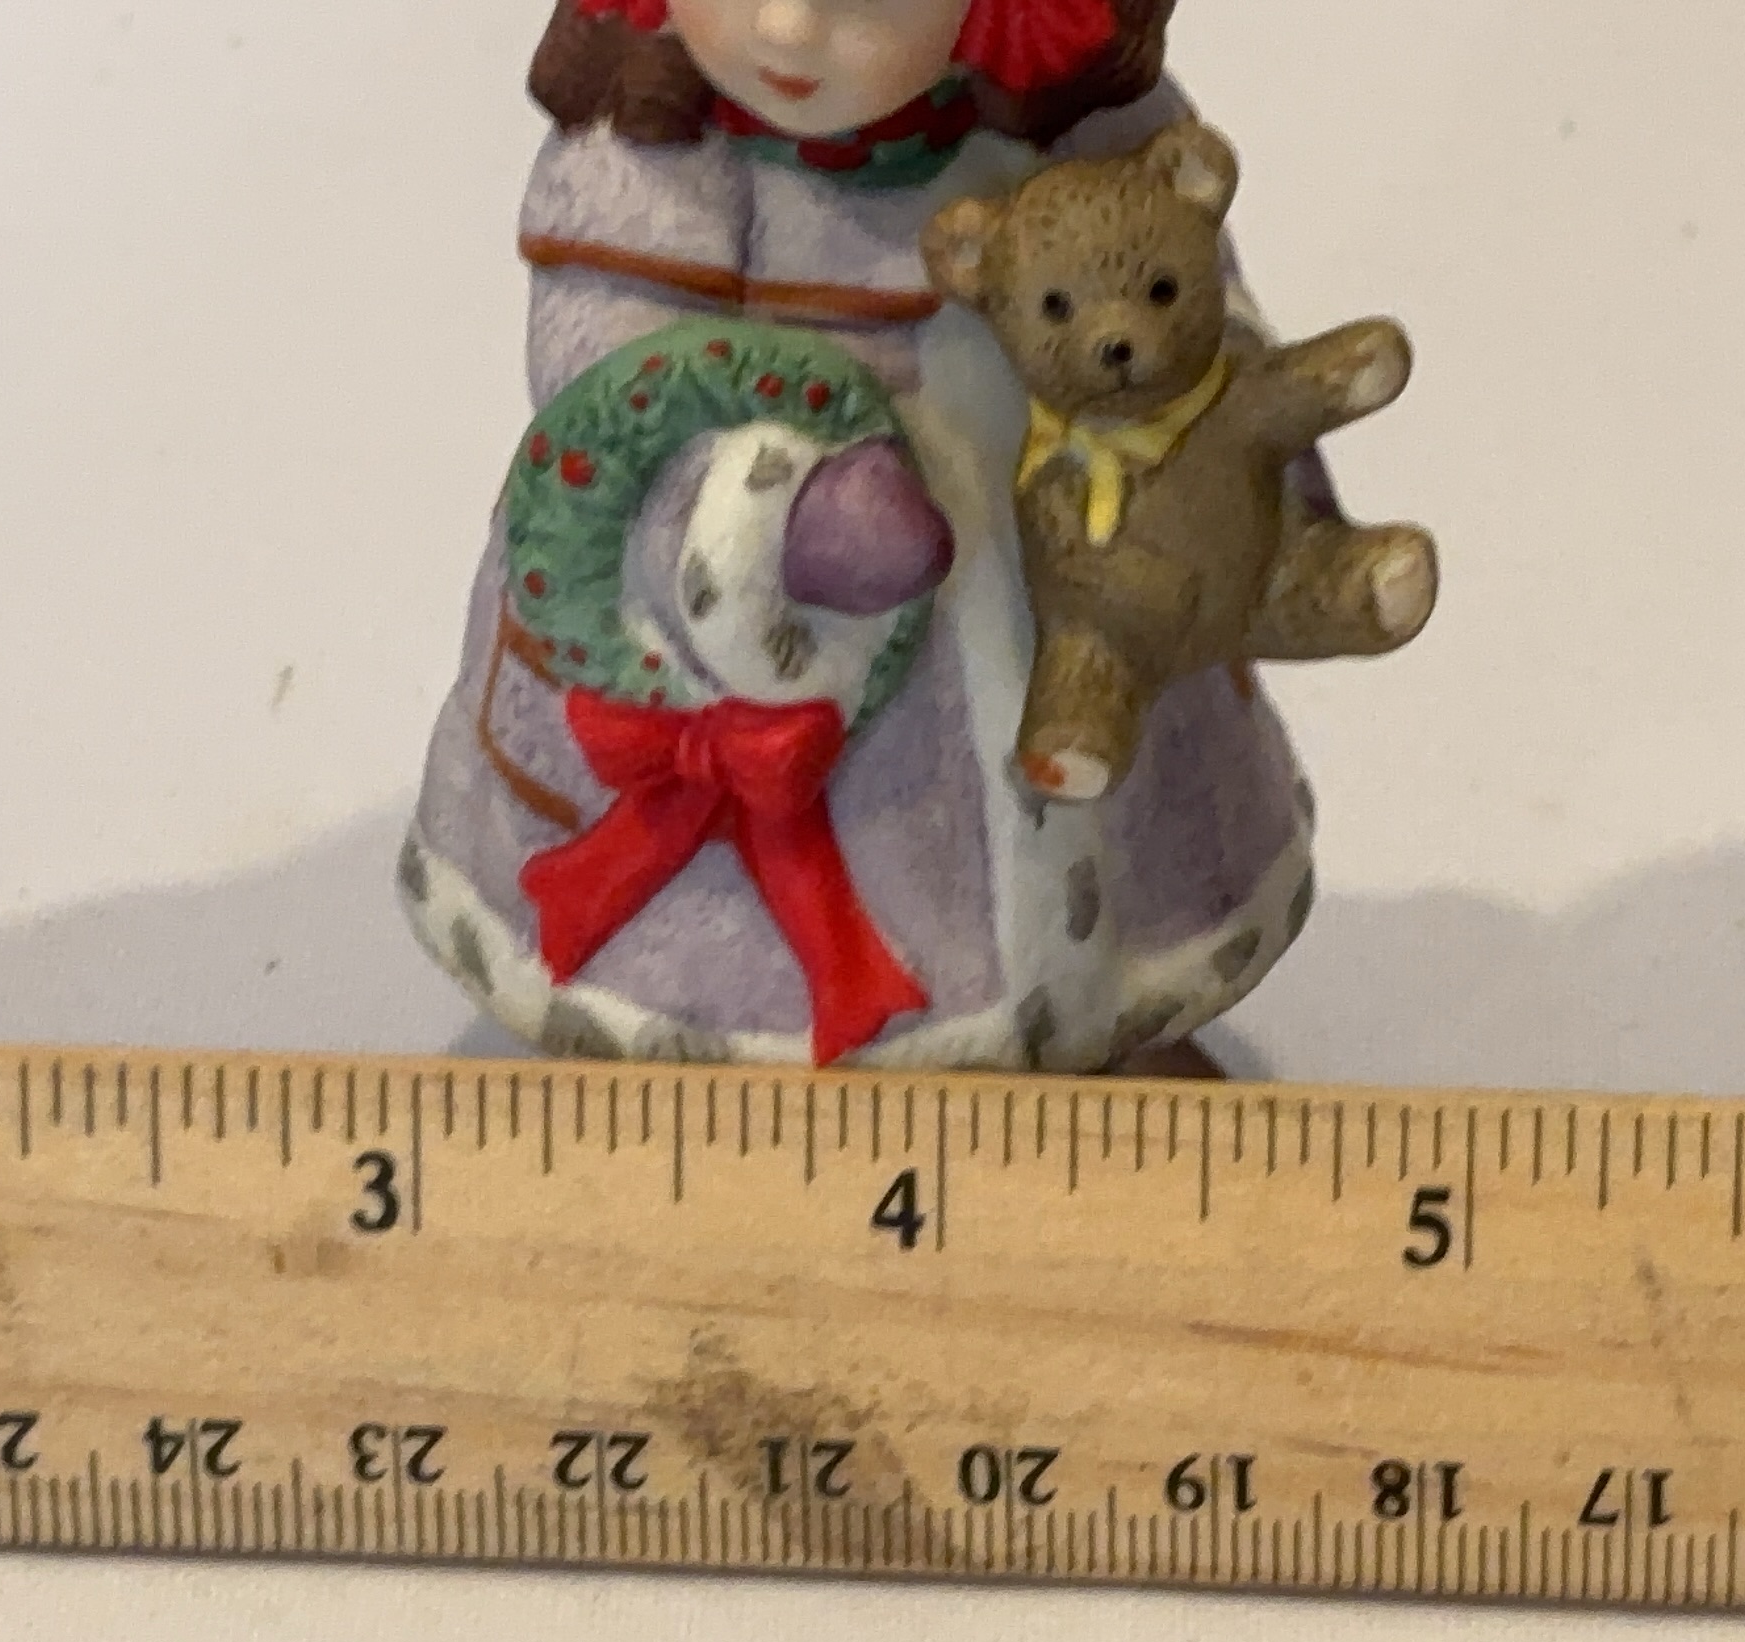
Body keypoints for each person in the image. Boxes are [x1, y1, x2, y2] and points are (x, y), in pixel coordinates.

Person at [404, 0, 1338, 1073]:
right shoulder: (656, 160)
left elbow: (1191, 285)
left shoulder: (1088, 134)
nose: (785, 29)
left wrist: (1233, 429)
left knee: (1113, 816)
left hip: (1071, 560)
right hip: (782, 634)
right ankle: (742, 1055)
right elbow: (600, 376)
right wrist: (780, 515)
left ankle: (1098, 1021)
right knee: (770, 921)